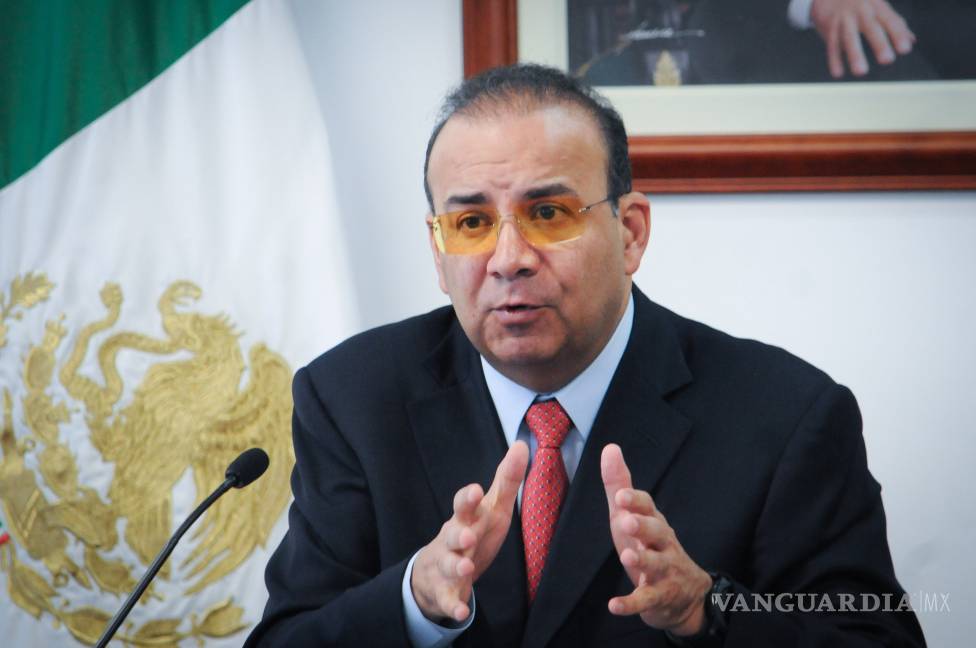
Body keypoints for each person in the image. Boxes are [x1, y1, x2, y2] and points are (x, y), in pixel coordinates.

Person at [245, 64, 926, 646]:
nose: (508, 260)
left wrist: (707, 609)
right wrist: (413, 599)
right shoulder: (352, 399)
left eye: (548, 213)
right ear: (438, 252)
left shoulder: (787, 416)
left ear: (630, 234)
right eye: (471, 223)